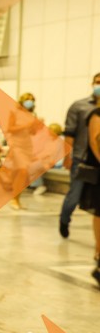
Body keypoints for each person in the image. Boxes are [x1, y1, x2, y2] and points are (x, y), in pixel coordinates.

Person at [60, 74, 100, 238]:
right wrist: (67, 156)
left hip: (97, 162)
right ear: (92, 84)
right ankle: (64, 220)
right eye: (98, 82)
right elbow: (70, 133)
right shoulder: (79, 106)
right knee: (74, 196)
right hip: (81, 159)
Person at [77, 100, 100, 288]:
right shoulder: (96, 115)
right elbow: (94, 140)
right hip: (98, 170)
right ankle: (99, 254)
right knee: (99, 212)